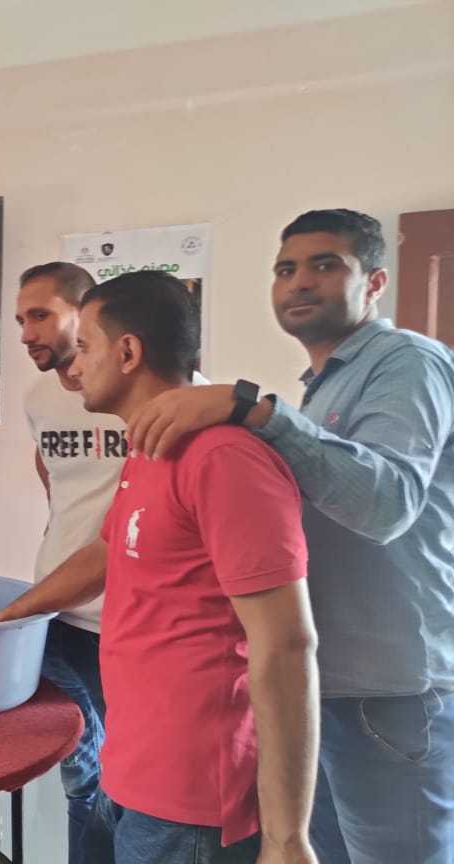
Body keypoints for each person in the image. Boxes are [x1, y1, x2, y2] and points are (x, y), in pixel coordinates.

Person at [124, 209, 454, 864]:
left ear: (375, 281)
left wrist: (251, 408)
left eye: (325, 265)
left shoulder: (409, 362)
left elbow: (385, 505)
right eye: (286, 269)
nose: (299, 281)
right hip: (327, 689)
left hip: (389, 695)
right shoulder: (324, 386)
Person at [0, 272, 320, 864]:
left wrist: (286, 836)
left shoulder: (224, 458)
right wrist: (11, 613)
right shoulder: (150, 446)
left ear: (128, 352)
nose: (75, 367)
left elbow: (286, 647)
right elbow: (106, 552)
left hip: (192, 801)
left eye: (84, 347)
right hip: (131, 769)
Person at [16, 261, 116, 860]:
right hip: (57, 613)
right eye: (21, 320)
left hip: (123, 621)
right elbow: (50, 469)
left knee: (121, 782)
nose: (27, 333)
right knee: (83, 778)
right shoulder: (38, 399)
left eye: (41, 315)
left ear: (87, 313)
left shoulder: (144, 391)